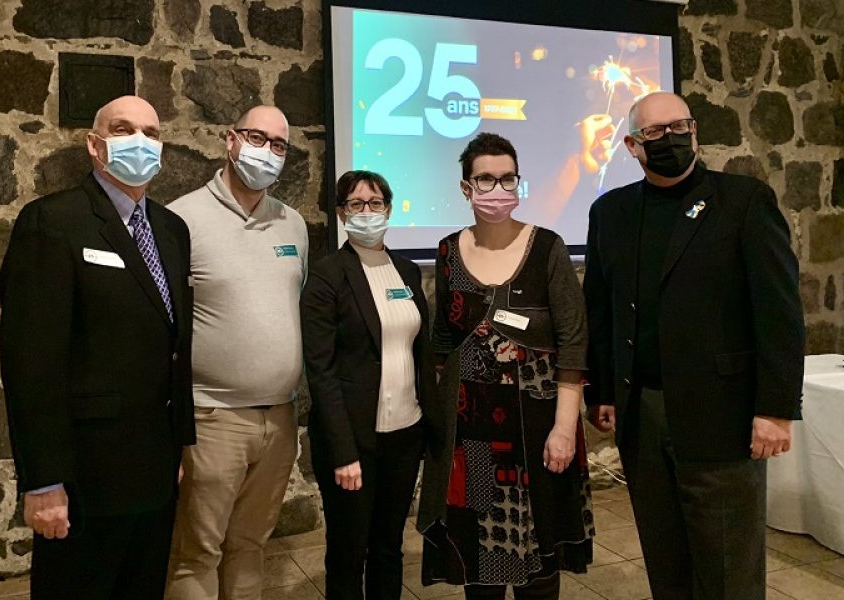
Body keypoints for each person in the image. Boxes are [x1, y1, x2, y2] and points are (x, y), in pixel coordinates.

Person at [583, 91, 805, 600]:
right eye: (656, 133)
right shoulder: (610, 212)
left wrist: (775, 410)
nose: (671, 139)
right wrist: (603, 392)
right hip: (644, 416)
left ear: (696, 131)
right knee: (667, 566)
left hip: (721, 417)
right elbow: (600, 309)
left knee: (728, 570)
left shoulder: (744, 202)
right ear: (633, 146)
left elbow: (779, 314)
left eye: (680, 127)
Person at [0, 95, 195, 599]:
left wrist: (179, 442)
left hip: (153, 469)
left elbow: (175, 344)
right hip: (85, 479)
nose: (140, 141)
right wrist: (43, 482)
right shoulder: (54, 222)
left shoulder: (172, 231)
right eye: (124, 128)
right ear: (94, 144)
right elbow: (32, 363)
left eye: (151, 133)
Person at [418, 133, 594, 600]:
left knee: (538, 566)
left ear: (519, 182)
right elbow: (442, 339)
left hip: (537, 430)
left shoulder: (548, 248)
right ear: (466, 187)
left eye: (507, 178)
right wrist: (439, 422)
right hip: (472, 435)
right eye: (486, 179)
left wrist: (564, 428)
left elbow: (574, 342)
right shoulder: (449, 251)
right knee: (483, 566)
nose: (497, 188)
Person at [166, 105, 307, 600]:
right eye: (256, 137)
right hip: (212, 419)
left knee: (251, 544)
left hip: (280, 419)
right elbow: (167, 330)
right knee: (198, 551)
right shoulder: (182, 219)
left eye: (278, 145)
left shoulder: (292, 225)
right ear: (229, 141)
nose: (266, 152)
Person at [301, 170, 441, 600]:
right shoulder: (327, 276)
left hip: (405, 433)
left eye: (375, 203)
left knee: (389, 547)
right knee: (348, 552)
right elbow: (321, 371)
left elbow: (419, 350)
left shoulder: (406, 271)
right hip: (353, 443)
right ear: (342, 213)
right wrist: (343, 452)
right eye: (357, 204)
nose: (367, 212)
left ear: (389, 208)